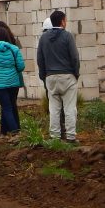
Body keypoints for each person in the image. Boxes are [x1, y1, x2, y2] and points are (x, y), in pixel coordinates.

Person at [37, 10, 80, 143]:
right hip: (67, 76)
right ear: (62, 21)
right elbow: (74, 57)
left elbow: (40, 59)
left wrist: (44, 76)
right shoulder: (67, 36)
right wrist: (75, 73)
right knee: (69, 108)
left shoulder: (43, 38)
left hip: (50, 77)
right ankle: (71, 137)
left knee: (54, 108)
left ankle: (55, 137)